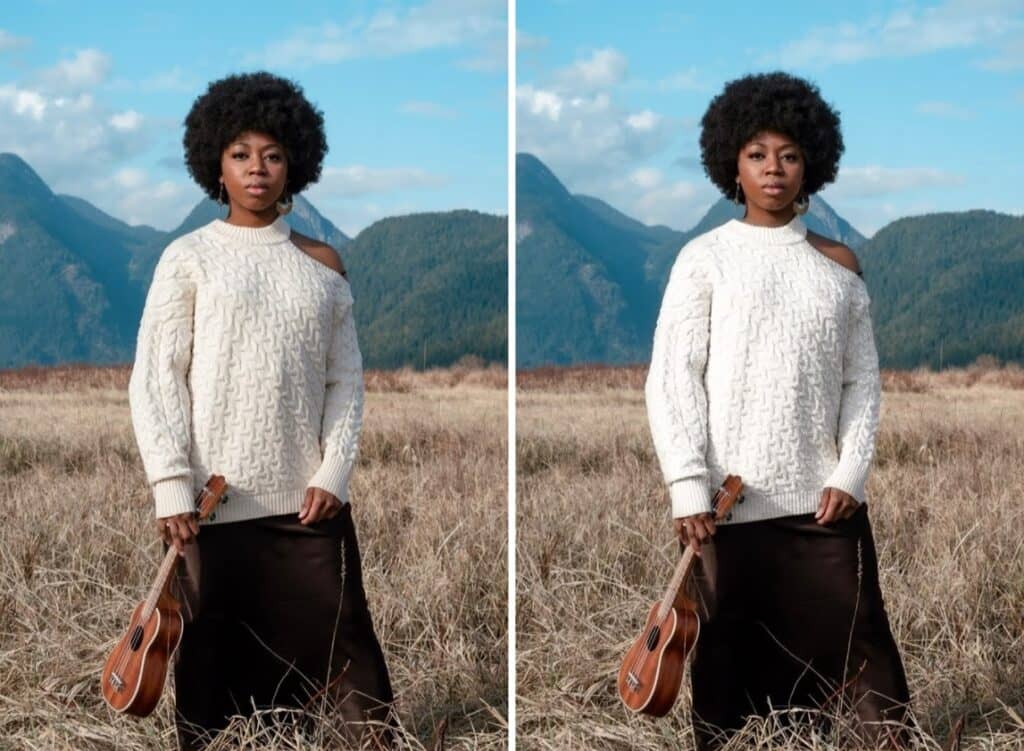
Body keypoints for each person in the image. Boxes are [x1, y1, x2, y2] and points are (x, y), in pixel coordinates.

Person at [645, 71, 911, 749]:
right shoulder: (703, 259)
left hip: (827, 513)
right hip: (727, 514)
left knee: (867, 681)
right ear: (731, 160)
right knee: (731, 688)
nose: (773, 169)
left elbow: (863, 385)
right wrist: (686, 482)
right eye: (758, 153)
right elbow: (673, 377)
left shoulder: (839, 265)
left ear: (811, 163)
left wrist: (850, 475)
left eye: (789, 155)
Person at [128, 71, 393, 749]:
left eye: (272, 154)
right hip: (209, 513)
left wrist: (333, 474)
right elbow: (156, 378)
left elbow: (347, 384)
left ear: (295, 163)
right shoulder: (187, 258)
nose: (256, 169)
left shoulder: (323, 264)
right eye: (241, 153)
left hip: (309, 512)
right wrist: (169, 484)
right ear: (214, 161)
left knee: (351, 681)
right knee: (214, 687)